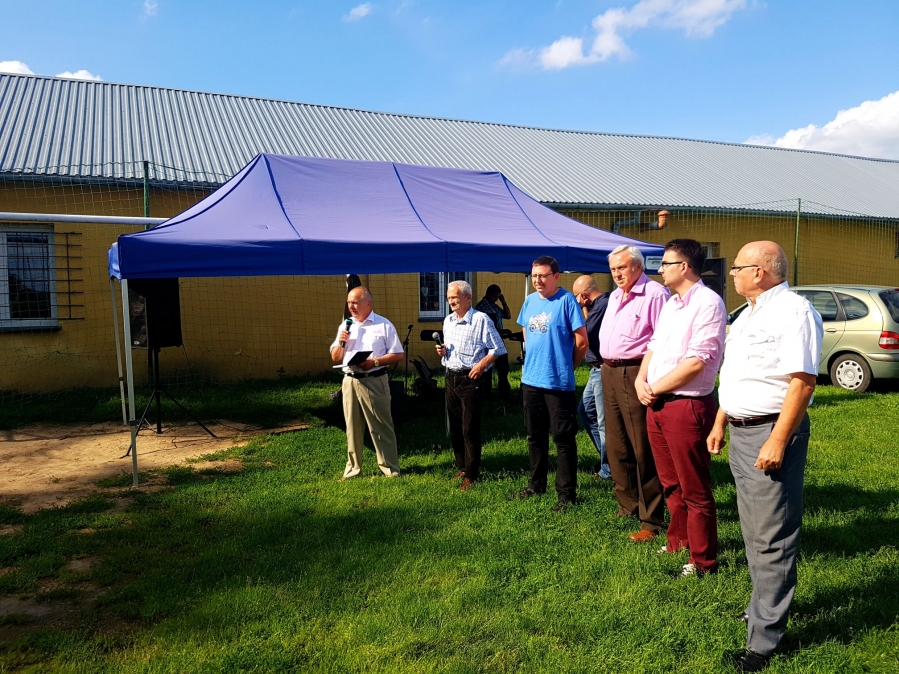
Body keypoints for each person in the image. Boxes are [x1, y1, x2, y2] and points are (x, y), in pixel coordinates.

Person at [708, 241, 823, 673]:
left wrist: (777, 439)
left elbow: (802, 382)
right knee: (754, 530)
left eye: (738, 267)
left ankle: (763, 642)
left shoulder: (794, 312)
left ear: (759, 272)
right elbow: (739, 376)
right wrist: (720, 420)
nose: (731, 273)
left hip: (771, 430)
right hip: (742, 430)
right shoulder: (749, 313)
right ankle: (761, 610)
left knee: (773, 536)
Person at [635, 239, 726, 577]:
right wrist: (640, 380)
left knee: (694, 488)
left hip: (687, 404)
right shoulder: (672, 303)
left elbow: (698, 361)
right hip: (657, 402)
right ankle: (679, 540)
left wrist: (654, 387)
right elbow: (654, 346)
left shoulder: (708, 303)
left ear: (684, 267)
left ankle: (703, 561)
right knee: (670, 482)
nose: (660, 269)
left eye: (666, 263)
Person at [599, 244, 669, 542]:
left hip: (636, 372)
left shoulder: (655, 294)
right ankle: (627, 504)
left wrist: (648, 377)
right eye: (613, 269)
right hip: (609, 370)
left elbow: (663, 340)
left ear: (638, 267)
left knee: (642, 447)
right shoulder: (616, 295)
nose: (617, 274)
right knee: (616, 444)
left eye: (622, 267)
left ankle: (651, 519)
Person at [515, 256, 588, 512]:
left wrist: (568, 366)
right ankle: (536, 485)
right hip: (531, 380)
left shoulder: (566, 301)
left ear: (556, 276)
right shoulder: (529, 301)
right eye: (534, 275)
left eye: (543, 275)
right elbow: (526, 331)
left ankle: (566, 494)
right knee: (535, 435)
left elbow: (582, 342)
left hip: (558, 383)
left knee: (563, 438)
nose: (538, 280)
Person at [437, 280, 507, 490]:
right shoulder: (448, 321)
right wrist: (442, 351)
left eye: (455, 297)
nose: (451, 302)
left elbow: (498, 348)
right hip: (450, 376)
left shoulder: (481, 319)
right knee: (455, 426)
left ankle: (472, 474)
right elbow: (450, 349)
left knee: (469, 427)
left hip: (470, 378)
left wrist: (481, 366)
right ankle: (461, 467)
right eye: (449, 298)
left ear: (468, 297)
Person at [330, 286, 405, 481]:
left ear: (368, 303)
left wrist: (374, 362)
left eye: (355, 302)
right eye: (349, 302)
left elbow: (398, 354)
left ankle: (390, 469)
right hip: (350, 380)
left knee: (380, 426)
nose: (351, 306)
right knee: (352, 427)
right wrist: (341, 342)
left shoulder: (383, 325)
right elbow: (335, 357)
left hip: (374, 379)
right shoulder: (346, 326)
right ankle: (353, 470)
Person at [571, 275, 611, 479]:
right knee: (586, 412)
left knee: (603, 422)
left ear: (584, 296)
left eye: (576, 297)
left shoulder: (602, 305)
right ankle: (607, 459)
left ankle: (609, 470)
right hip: (595, 370)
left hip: (602, 368)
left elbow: (585, 333)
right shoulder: (597, 305)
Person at [475, 284, 512, 398]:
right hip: (487, 344)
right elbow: (488, 328)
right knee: (488, 369)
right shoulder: (482, 307)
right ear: (489, 294)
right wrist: (502, 331)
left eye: (498, 297)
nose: (496, 299)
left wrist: (503, 302)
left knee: (503, 367)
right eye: (495, 296)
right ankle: (486, 393)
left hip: (498, 341)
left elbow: (508, 316)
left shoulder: (494, 306)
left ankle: (504, 391)